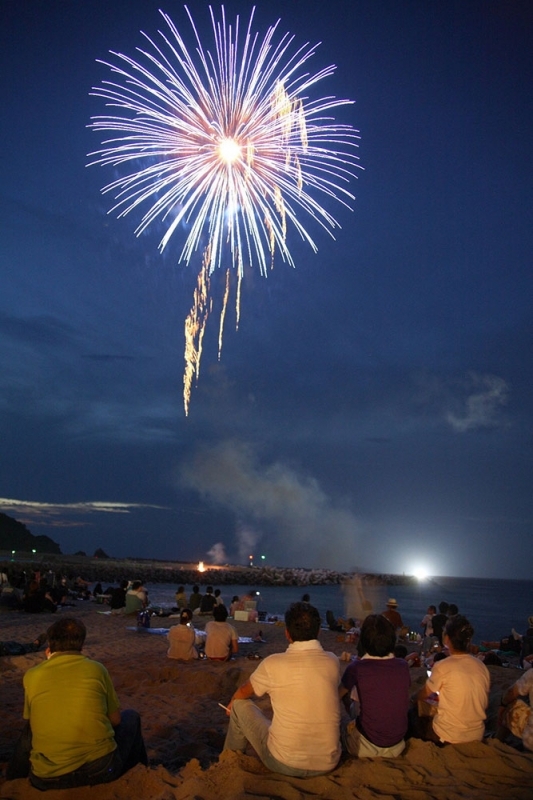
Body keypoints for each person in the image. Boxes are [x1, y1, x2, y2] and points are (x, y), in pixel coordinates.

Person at [6, 617, 148, 790]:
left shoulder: (32, 675)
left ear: (50, 646)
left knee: (31, 727)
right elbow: (116, 720)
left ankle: (13, 776)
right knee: (131, 717)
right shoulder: (96, 669)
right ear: (81, 644)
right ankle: (139, 770)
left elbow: (32, 719)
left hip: (46, 778)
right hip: (100, 770)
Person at [223, 602, 341, 777]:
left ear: (287, 633)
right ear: (318, 632)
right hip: (328, 762)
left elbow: (243, 691)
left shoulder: (273, 663)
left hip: (284, 761)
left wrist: (232, 703)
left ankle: (227, 761)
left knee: (240, 706)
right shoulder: (333, 661)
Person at [411, 615, 490, 744]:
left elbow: (424, 694)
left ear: (447, 639)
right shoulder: (481, 666)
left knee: (415, 711)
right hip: (477, 735)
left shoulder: (443, 666)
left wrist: (413, 698)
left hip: (448, 736)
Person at [340, 615, 410, 758]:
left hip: (366, 746)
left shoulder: (357, 667)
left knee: (341, 726)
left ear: (364, 641)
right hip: (397, 745)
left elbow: (336, 695)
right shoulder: (402, 666)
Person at [497, 666, 533, 751]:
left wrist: (503, 705)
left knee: (512, 705)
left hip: (531, 742)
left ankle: (496, 741)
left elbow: (510, 693)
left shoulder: (531, 674)